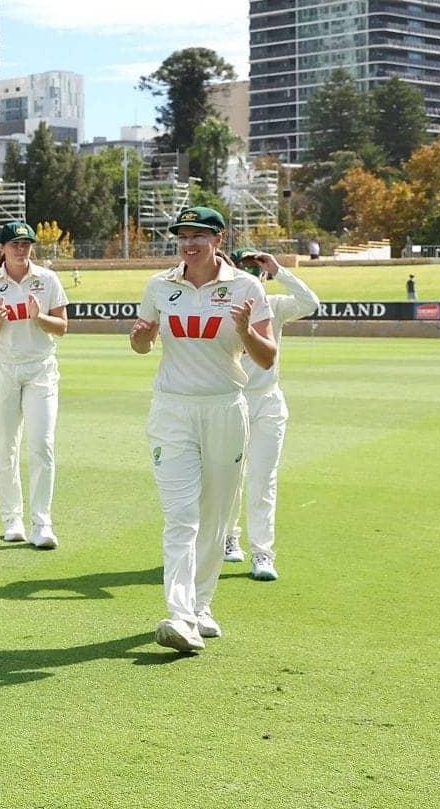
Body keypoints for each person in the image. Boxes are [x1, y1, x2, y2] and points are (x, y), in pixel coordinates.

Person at [130, 206, 275, 653]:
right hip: (172, 411)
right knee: (181, 516)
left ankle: (201, 605)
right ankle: (179, 614)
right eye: (182, 236)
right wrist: (140, 336)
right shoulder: (160, 286)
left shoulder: (245, 287)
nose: (189, 243)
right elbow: (141, 344)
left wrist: (246, 331)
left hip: (224, 409)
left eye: (198, 235)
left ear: (218, 238)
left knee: (214, 516)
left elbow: (267, 357)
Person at [0, 220, 68, 548]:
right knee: (5, 446)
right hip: (2, 369)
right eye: (14, 244)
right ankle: (12, 517)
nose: (20, 249)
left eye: (25, 243)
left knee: (42, 444)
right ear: (2, 248)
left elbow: (62, 326)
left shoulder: (47, 279)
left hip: (40, 369)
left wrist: (39, 317)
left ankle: (43, 523)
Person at [223, 248, 319, 580]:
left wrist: (279, 270)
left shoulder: (275, 306)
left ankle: (263, 553)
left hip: (268, 402)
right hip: (231, 401)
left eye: (257, 272)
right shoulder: (222, 305)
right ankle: (228, 536)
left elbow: (310, 303)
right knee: (229, 478)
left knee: (264, 478)